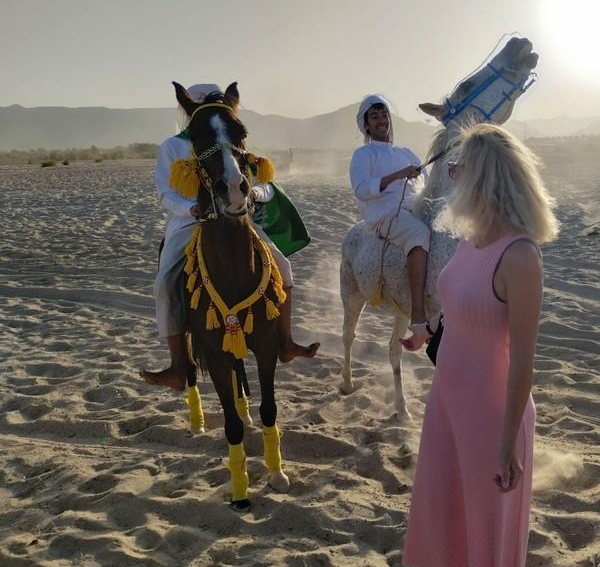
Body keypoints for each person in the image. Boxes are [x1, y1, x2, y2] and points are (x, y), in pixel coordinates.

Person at [403, 123, 560, 567]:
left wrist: (508, 441)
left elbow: (523, 359)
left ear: (485, 178)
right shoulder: (472, 240)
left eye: (458, 169)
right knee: (449, 521)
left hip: (492, 418)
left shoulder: (520, 256)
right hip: (447, 402)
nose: (452, 179)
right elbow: (458, 302)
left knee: (490, 536)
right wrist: (427, 331)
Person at [140, 83, 318, 392]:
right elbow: (164, 193)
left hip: (236, 219)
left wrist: (255, 194)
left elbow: (262, 183)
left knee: (284, 268)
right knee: (165, 284)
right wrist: (190, 208)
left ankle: (285, 341)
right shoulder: (172, 146)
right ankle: (179, 365)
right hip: (188, 223)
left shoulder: (229, 139)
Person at [349, 94, 431, 350]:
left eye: (384, 115)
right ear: (366, 125)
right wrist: (398, 175)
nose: (381, 120)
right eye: (374, 117)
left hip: (415, 207)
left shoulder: (407, 152)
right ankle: (418, 315)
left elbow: (428, 183)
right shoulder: (363, 154)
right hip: (385, 214)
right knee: (418, 234)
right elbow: (361, 189)